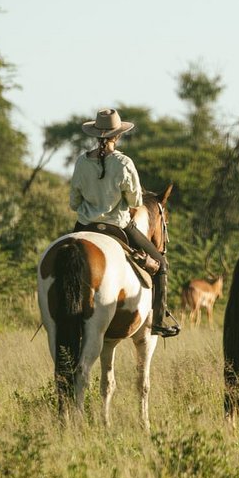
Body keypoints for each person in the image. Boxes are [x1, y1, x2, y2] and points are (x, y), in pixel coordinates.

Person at [69, 108, 179, 338]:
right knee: (161, 265)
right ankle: (158, 321)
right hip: (118, 226)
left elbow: (74, 203)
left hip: (84, 227)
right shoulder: (124, 162)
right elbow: (136, 201)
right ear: (117, 135)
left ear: (95, 135)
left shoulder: (81, 162)